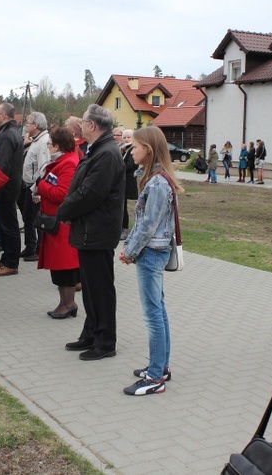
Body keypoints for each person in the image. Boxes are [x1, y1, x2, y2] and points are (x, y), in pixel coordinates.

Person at [57, 104, 125, 361]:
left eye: (83, 122)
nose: (81, 125)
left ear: (92, 125)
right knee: (90, 288)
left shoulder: (107, 153)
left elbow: (90, 194)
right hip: (89, 230)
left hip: (97, 231)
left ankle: (105, 341)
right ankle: (91, 332)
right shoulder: (97, 149)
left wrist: (64, 212)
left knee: (100, 289)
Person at [119, 125, 182, 396]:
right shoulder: (154, 178)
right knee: (159, 309)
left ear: (149, 149)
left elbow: (147, 225)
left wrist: (129, 251)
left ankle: (155, 376)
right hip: (152, 251)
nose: (130, 150)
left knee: (153, 314)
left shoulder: (157, 183)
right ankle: (161, 365)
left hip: (150, 253)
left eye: (134, 146)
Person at [33, 127, 81, 319]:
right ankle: (64, 303)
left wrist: (41, 185)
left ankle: (69, 303)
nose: (48, 147)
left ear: (58, 145)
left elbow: (62, 194)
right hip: (55, 222)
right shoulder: (62, 161)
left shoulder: (69, 163)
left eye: (50, 144)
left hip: (62, 225)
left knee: (65, 267)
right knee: (59, 268)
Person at [0, 102, 24, 277]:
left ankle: (11, 263)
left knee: (9, 226)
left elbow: (1, 165)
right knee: (4, 224)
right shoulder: (8, 132)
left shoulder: (8, 135)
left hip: (6, 187)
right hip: (7, 185)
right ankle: (6, 257)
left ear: (4, 116)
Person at [19, 112, 50, 262]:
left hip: (34, 186)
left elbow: (43, 166)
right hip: (29, 184)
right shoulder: (36, 140)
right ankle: (30, 246)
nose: (26, 125)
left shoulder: (44, 141)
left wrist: (37, 189)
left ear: (35, 125)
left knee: (35, 219)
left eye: (28, 122)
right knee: (27, 217)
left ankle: (38, 249)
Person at [121, 129, 138, 240]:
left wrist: (119, 168)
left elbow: (130, 165)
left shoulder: (132, 149)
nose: (126, 139)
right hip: (122, 182)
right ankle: (122, 228)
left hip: (128, 182)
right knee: (121, 206)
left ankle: (125, 229)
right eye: (125, 137)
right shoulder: (124, 149)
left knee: (124, 207)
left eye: (128, 137)